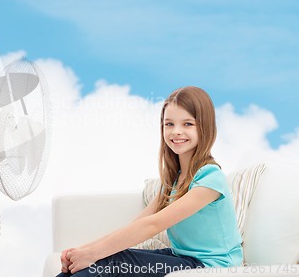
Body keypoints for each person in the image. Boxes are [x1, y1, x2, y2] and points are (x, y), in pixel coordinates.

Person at [56, 86, 243, 276]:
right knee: (97, 262)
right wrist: (81, 252)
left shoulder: (210, 178)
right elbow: (138, 223)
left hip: (211, 267)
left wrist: (92, 253)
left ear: (205, 127)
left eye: (187, 124)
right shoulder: (174, 180)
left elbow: (153, 225)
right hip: (182, 258)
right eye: (169, 124)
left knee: (109, 262)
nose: (176, 131)